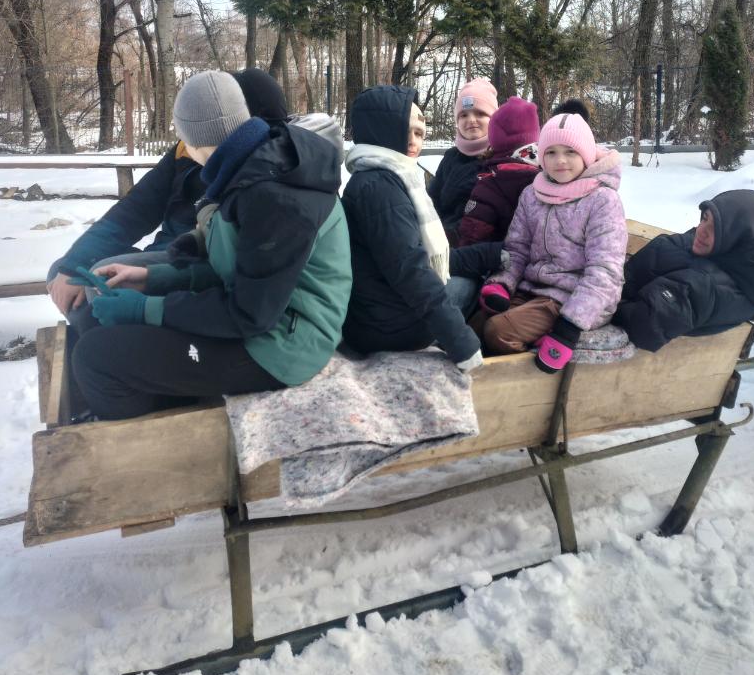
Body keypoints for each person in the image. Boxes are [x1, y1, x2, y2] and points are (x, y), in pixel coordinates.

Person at [70, 71, 351, 420]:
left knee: (96, 357)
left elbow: (251, 314)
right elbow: (235, 271)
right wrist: (150, 278)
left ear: (194, 140)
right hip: (263, 321)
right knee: (95, 322)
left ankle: (149, 444)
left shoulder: (273, 195)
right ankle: (166, 407)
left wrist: (146, 310)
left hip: (283, 347)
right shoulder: (246, 169)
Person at [46, 67, 289, 330]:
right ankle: (105, 332)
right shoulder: (186, 150)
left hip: (197, 265)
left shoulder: (259, 168)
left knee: (99, 286)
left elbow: (234, 260)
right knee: (67, 271)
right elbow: (134, 210)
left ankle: (108, 338)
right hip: (164, 253)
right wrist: (75, 263)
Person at [342, 84, 500, 373]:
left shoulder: (383, 176)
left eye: (419, 133)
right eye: (406, 131)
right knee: (467, 286)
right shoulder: (380, 188)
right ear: (384, 130)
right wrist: (461, 342)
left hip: (377, 310)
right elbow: (412, 269)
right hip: (387, 327)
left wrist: (489, 254)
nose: (414, 142)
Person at [476, 113, 627, 370]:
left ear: (586, 155)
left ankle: (521, 385)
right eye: (551, 152)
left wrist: (569, 326)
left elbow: (605, 271)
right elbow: (517, 248)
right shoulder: (533, 193)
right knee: (473, 326)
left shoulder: (602, 200)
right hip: (531, 290)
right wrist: (503, 282)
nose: (560, 161)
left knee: (497, 332)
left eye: (570, 152)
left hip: (573, 299)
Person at [613, 189, 754, 352]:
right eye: (704, 219)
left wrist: (606, 303)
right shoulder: (723, 251)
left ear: (739, 235)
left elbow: (643, 325)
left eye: (716, 228)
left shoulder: (708, 288)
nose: (701, 230)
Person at [458, 96, 540, 246]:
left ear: (495, 136)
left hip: (496, 256)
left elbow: (473, 234)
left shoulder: (492, 181)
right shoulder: (548, 174)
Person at [428, 77, 498, 244]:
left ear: (494, 119)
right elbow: (432, 200)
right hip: (439, 238)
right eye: (464, 115)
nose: (471, 120)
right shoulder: (451, 157)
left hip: (477, 245)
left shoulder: (500, 159)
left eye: (480, 113)